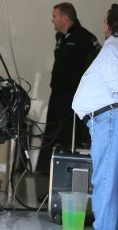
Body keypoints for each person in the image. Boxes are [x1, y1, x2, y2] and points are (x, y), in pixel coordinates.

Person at [36, 2, 101, 174]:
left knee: (70, 137)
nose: (52, 20)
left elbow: (97, 64)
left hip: (74, 99)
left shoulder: (85, 38)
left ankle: (68, 175)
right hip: (57, 94)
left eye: (54, 16)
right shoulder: (60, 37)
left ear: (65, 18)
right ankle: (43, 173)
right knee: (50, 133)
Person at [72, 4, 118, 230]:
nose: (103, 25)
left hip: (108, 119)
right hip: (105, 120)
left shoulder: (113, 48)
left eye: (105, 21)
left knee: (106, 181)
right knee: (109, 181)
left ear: (111, 25)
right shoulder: (112, 47)